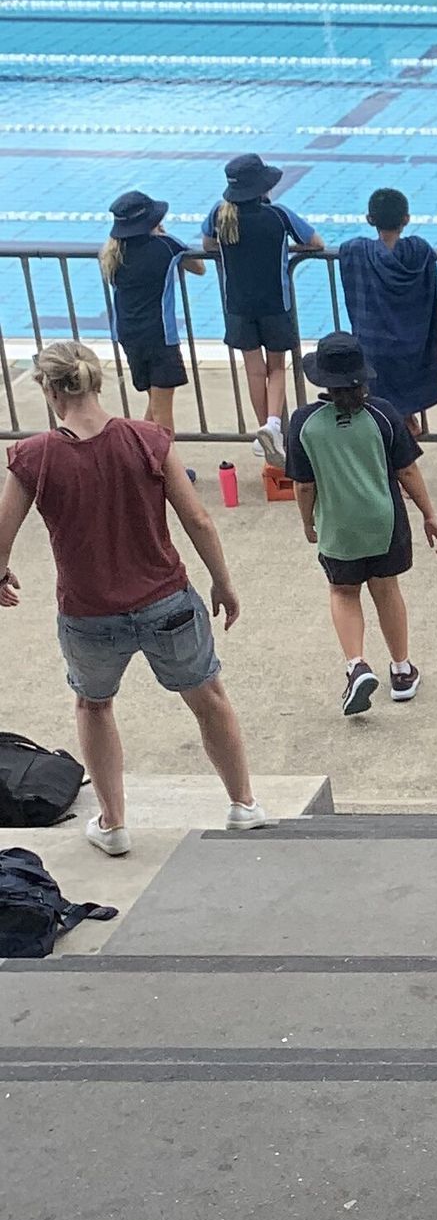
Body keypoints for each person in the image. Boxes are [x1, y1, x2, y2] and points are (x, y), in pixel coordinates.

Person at [0, 336, 264, 855]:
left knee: (94, 705)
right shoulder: (148, 440)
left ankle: (114, 823)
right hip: (166, 601)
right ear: (96, 382)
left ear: (51, 391)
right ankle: (243, 804)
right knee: (208, 697)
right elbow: (198, 519)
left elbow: (2, 533)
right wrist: (222, 581)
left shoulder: (34, 457)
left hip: (88, 613)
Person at [283, 329, 437, 715]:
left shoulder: (304, 422)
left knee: (343, 592)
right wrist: (429, 514)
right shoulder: (383, 415)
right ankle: (402, 670)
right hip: (385, 523)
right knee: (386, 589)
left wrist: (307, 523)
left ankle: (356, 665)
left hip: (338, 527)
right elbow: (407, 471)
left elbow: (303, 485)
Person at [201, 152, 323, 461]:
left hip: (237, 306)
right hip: (275, 303)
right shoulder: (278, 215)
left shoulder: (219, 214)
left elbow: (207, 244)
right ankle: (273, 425)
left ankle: (265, 431)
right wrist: (288, 248)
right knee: (277, 367)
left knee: (255, 372)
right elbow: (316, 242)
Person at [337, 189, 437, 436]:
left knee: (381, 408)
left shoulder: (357, 251)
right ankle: (406, 424)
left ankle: (398, 432)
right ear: (406, 219)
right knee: (401, 405)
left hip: (375, 345)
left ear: (369, 219)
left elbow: (347, 248)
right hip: (414, 346)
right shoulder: (419, 251)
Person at [98, 187, 203, 430]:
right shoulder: (166, 246)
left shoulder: (112, 253)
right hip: (159, 335)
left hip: (128, 334)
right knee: (162, 413)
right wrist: (162, 234)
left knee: (155, 403)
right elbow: (199, 267)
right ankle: (163, 456)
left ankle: (139, 450)